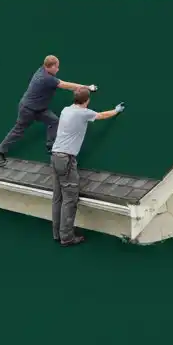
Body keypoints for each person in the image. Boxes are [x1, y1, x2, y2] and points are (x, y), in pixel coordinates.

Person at [50, 87, 124, 247]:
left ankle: (57, 233)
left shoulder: (65, 110)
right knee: (70, 199)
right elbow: (102, 115)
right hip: (66, 159)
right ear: (87, 100)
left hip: (55, 156)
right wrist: (116, 110)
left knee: (58, 197)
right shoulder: (84, 113)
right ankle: (67, 237)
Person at [0, 55, 96, 167]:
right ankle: (0, 152)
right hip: (27, 110)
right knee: (18, 130)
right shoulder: (46, 78)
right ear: (50, 67)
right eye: (57, 67)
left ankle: (50, 145)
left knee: (54, 121)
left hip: (40, 109)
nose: (58, 69)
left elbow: (61, 83)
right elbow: (66, 85)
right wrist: (87, 87)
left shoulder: (42, 70)